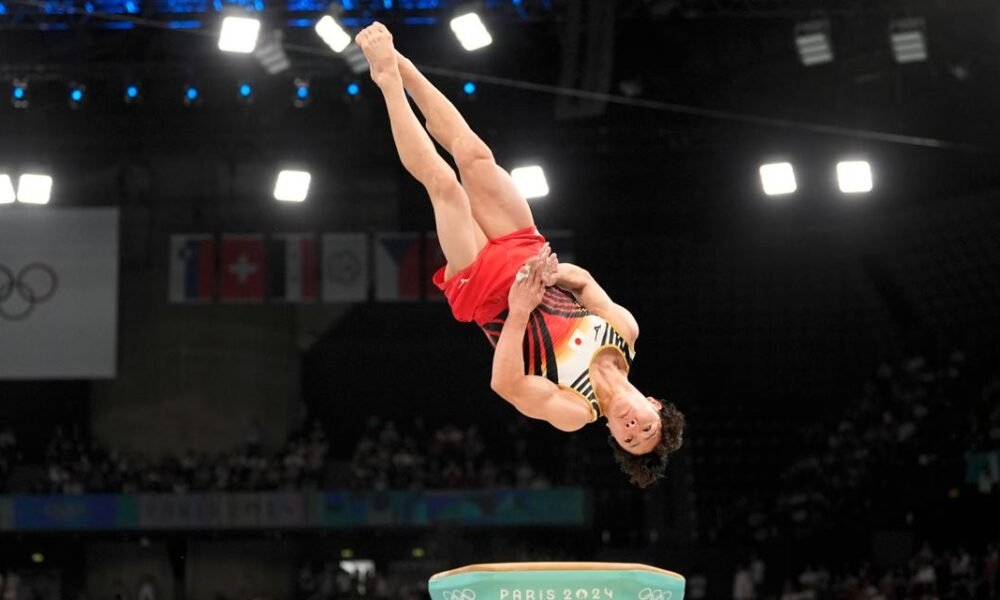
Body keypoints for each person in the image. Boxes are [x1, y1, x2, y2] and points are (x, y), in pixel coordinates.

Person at [355, 23, 685, 487]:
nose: (633, 428)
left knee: (445, 187)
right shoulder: (625, 331)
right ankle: (405, 66)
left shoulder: (575, 410)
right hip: (525, 253)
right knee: (473, 155)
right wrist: (553, 273)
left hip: (490, 295)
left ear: (612, 433)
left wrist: (520, 308)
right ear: (653, 403)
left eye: (629, 439)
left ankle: (387, 79)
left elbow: (505, 384)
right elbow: (585, 282)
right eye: (645, 427)